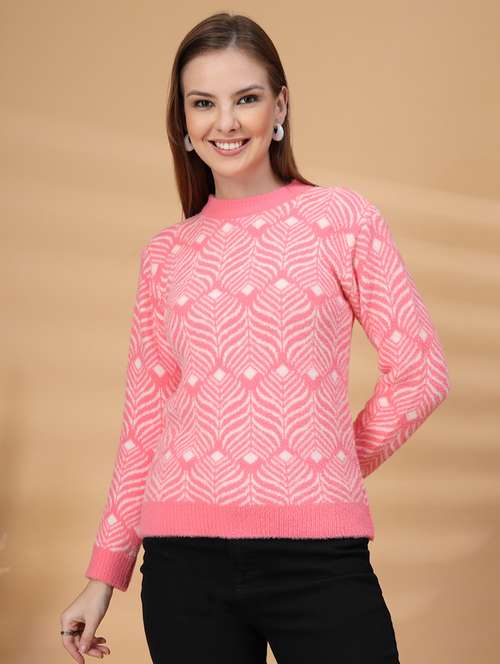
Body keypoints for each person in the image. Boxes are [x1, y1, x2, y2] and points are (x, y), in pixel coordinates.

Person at [60, 11, 451, 664]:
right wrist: (104, 575)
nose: (226, 122)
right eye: (203, 103)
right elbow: (144, 425)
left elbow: (421, 373)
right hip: (182, 564)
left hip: (318, 559)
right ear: (183, 121)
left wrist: (328, 463)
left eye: (246, 98)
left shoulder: (340, 219)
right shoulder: (166, 255)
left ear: (280, 107)